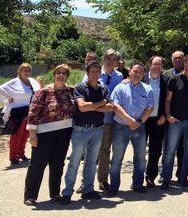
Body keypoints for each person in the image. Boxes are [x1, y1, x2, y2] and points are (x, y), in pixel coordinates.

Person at [60, 61, 113, 204]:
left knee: (91, 162)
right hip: (81, 129)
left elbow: (109, 107)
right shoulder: (80, 88)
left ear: (100, 73)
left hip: (98, 128)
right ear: (87, 73)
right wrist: (100, 103)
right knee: (74, 162)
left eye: (97, 72)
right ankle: (67, 192)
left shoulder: (104, 89)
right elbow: (82, 107)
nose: (95, 75)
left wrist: (93, 106)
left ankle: (88, 189)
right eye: (92, 72)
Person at [23, 64, 74, 206]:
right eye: (58, 73)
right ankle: (30, 195)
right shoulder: (43, 92)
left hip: (64, 133)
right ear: (54, 74)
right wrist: (32, 135)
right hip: (44, 133)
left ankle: (55, 193)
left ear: (67, 76)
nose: (61, 76)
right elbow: (32, 114)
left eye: (64, 73)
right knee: (37, 165)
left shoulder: (71, 91)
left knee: (58, 164)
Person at [107, 62, 154, 196]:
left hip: (140, 128)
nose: (137, 74)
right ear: (129, 72)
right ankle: (114, 186)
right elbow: (115, 106)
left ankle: (138, 184)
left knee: (140, 158)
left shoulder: (147, 89)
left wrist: (138, 122)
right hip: (121, 128)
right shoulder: (120, 87)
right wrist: (130, 120)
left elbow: (150, 107)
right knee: (117, 159)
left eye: (140, 72)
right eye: (135, 71)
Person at [161, 53, 188, 189]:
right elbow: (168, 100)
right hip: (175, 121)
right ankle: (166, 178)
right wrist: (168, 116)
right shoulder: (174, 79)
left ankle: (183, 177)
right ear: (185, 63)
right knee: (170, 150)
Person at [0, 63, 41, 166]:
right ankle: (13, 157)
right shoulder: (14, 82)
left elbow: (38, 92)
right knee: (17, 134)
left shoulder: (32, 81)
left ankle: (21, 153)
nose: (27, 72)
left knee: (26, 134)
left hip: (29, 110)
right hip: (17, 111)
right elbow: (0, 90)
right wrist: (7, 99)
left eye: (29, 70)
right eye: (24, 70)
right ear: (20, 71)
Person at [93, 49, 124, 191]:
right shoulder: (94, 73)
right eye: (108, 59)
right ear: (103, 59)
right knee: (90, 151)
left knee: (105, 150)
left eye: (114, 60)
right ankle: (85, 181)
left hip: (110, 120)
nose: (111, 62)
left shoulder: (120, 76)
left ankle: (103, 180)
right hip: (93, 118)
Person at [144, 56, 169, 188]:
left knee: (155, 150)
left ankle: (150, 177)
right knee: (140, 150)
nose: (157, 67)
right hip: (142, 120)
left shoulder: (166, 80)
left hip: (159, 120)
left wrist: (165, 115)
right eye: (155, 64)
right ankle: (136, 178)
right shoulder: (141, 78)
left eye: (159, 65)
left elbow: (170, 100)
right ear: (150, 64)